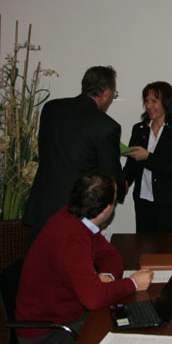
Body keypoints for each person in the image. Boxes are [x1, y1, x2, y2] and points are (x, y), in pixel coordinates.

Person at [16, 171, 153, 344]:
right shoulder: (72, 239)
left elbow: (110, 255)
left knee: (126, 325)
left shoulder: (75, 218)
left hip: (67, 318)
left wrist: (107, 276)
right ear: (107, 209)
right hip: (47, 337)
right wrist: (132, 283)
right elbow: (93, 299)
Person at [23, 65, 126, 242]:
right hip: (75, 213)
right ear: (107, 93)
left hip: (42, 208)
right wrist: (122, 187)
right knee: (73, 260)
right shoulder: (107, 127)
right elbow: (109, 175)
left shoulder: (51, 108)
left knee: (39, 259)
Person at [123, 81, 172, 233]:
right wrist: (122, 183)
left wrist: (147, 157)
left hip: (170, 203)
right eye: (146, 101)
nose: (149, 106)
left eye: (154, 101)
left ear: (166, 102)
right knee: (143, 246)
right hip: (143, 202)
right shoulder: (139, 129)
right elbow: (131, 166)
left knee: (169, 247)